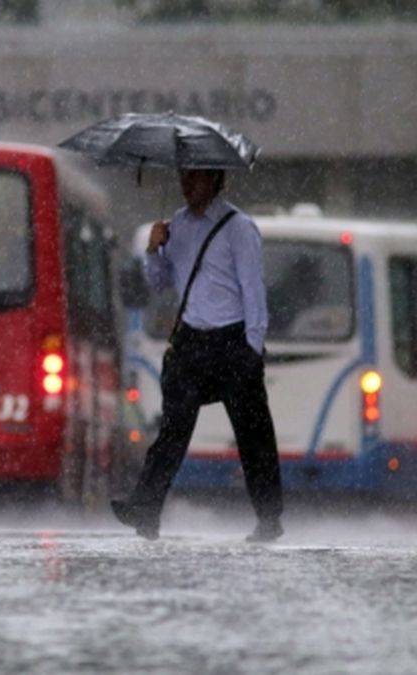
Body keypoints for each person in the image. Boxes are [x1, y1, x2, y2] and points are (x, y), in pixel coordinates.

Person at [111, 168, 284, 543]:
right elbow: (160, 283)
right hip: (191, 341)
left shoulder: (239, 228)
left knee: (253, 434)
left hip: (233, 339)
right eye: (184, 177)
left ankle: (269, 518)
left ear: (216, 180)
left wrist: (253, 348)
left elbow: (253, 290)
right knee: (173, 428)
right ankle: (146, 508)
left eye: (196, 178)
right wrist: (154, 250)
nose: (187, 185)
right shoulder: (177, 225)